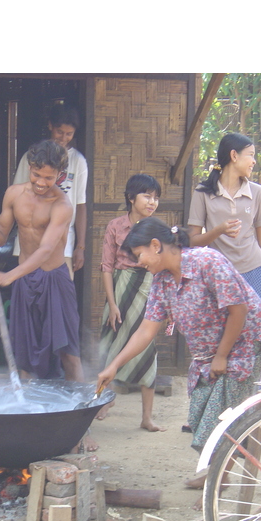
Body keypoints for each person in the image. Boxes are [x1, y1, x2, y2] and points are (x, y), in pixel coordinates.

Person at [96, 217, 261, 506]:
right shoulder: (161, 281)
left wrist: (221, 355)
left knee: (223, 415)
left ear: (156, 246)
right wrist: (114, 365)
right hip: (210, 353)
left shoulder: (207, 261)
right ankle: (220, 473)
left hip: (244, 344)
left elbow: (238, 310)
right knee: (206, 414)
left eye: (139, 254)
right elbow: (146, 329)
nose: (138, 261)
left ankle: (217, 482)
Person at [0, 139, 84, 385]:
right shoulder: (13, 194)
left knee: (68, 351)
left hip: (54, 279)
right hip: (25, 280)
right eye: (36, 175)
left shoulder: (62, 206)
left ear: (60, 176)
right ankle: (28, 412)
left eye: (49, 178)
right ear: (29, 167)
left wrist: (9, 276)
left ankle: (82, 412)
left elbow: (44, 251)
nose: (41, 183)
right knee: (26, 353)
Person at [98, 174, 166, 432]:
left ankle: (147, 417)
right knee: (110, 345)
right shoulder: (115, 226)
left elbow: (161, 267)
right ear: (130, 197)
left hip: (148, 288)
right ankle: (104, 401)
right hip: (119, 287)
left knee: (147, 349)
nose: (152, 202)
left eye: (156, 197)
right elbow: (106, 267)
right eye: (147, 196)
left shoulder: (158, 230)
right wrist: (112, 304)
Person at [188, 132, 261, 314]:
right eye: (250, 155)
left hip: (254, 270)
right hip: (218, 273)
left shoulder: (257, 192)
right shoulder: (203, 192)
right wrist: (218, 231)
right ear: (234, 156)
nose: (254, 161)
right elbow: (192, 240)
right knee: (222, 331)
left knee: (253, 329)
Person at [13, 104, 88, 279]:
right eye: (59, 132)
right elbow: (17, 195)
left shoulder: (78, 161)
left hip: (63, 243)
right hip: (29, 241)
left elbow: (81, 205)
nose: (64, 138)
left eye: (69, 134)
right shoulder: (30, 158)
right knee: (29, 295)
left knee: (60, 296)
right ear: (50, 126)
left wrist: (80, 246)